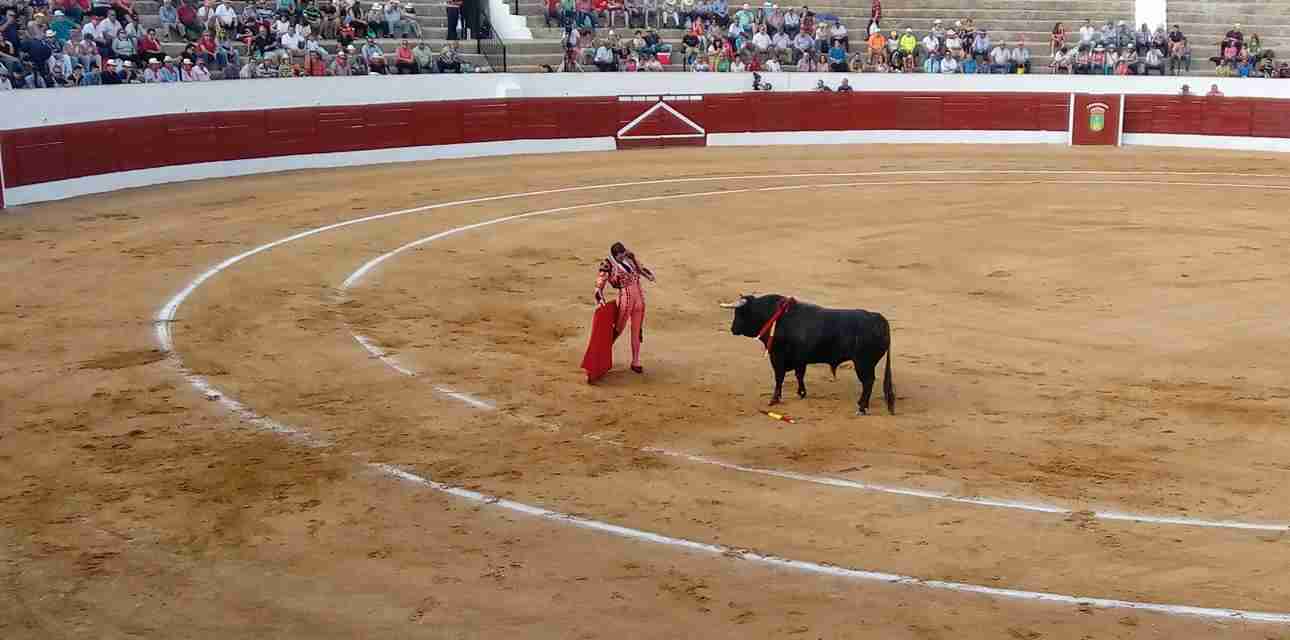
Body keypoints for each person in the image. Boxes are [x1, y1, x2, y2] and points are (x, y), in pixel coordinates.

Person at [589, 242, 655, 376]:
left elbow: (641, 269)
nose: (622, 257)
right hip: (625, 298)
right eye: (620, 256)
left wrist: (647, 274)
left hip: (639, 299)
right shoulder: (607, 264)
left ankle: (635, 362)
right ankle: (601, 357)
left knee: (636, 331)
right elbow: (598, 285)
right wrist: (600, 300)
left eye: (623, 254)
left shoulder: (629, 257)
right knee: (617, 330)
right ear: (615, 255)